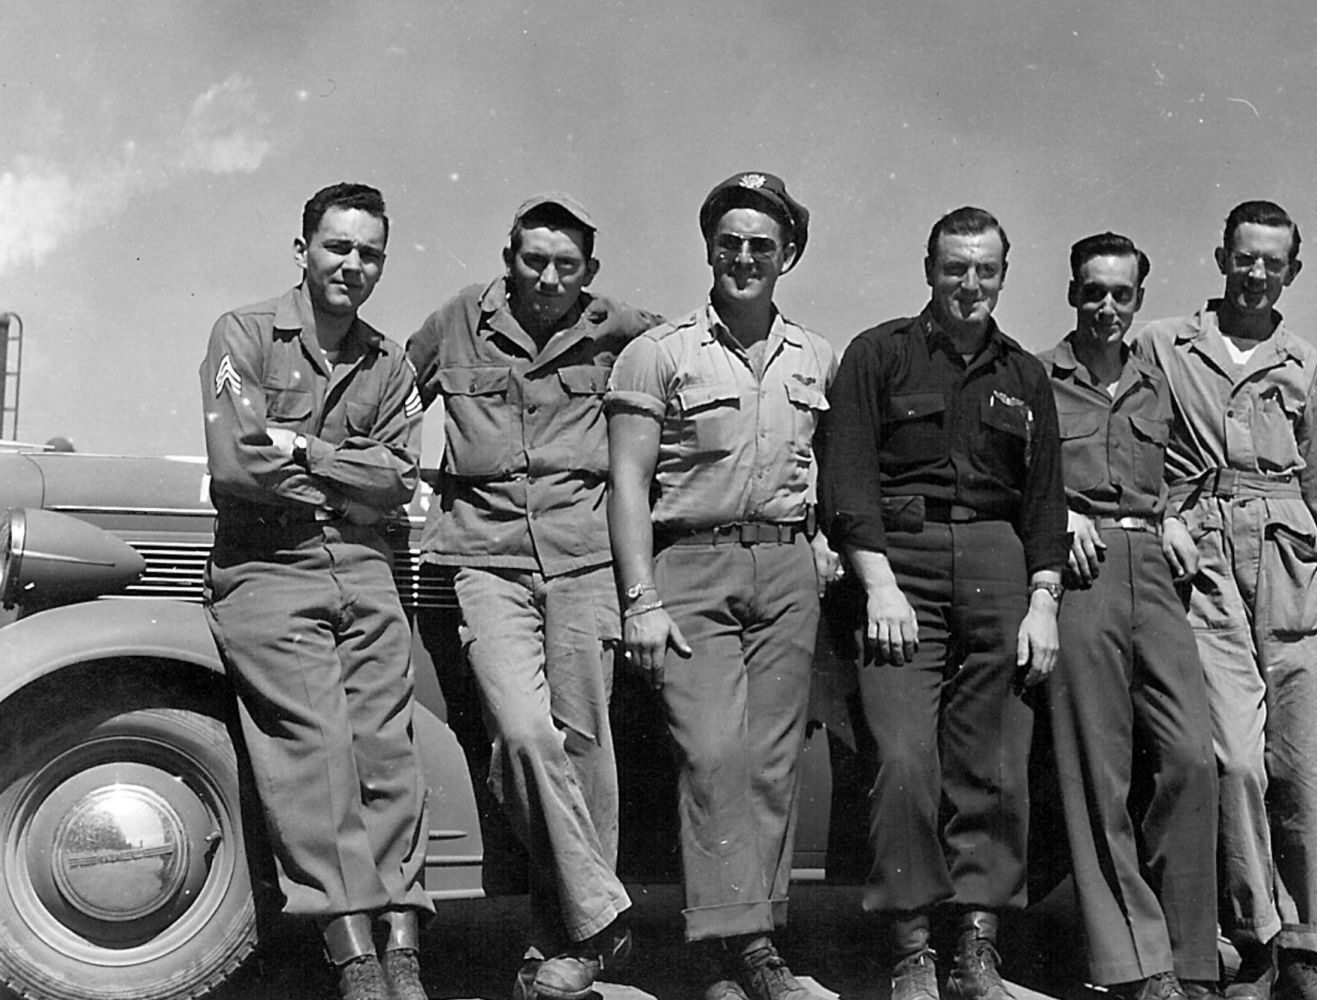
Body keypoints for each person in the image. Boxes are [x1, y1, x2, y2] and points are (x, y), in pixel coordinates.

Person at [406, 193, 660, 1000]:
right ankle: (604, 917)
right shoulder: (456, 322)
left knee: (584, 745)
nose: (549, 278)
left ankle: (562, 941)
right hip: (487, 560)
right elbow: (386, 395)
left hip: (586, 559)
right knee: (520, 734)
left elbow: (690, 378)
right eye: (534, 260)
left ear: (590, 271)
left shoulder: (626, 330)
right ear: (508, 258)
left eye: (567, 265)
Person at [821, 206, 1067, 1000]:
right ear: (929, 270)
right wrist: (879, 584)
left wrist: (1043, 601)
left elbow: (1045, 500)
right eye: (955, 267)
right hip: (902, 566)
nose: (969, 283)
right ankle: (911, 948)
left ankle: (976, 949)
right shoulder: (879, 354)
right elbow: (848, 481)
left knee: (995, 764)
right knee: (901, 759)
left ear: (1003, 276)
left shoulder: (1024, 375)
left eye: (984, 270)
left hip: (999, 565)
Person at [606, 171, 839, 1000]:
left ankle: (754, 947)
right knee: (711, 755)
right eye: (729, 243)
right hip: (691, 564)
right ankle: (724, 948)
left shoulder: (817, 357)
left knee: (772, 764)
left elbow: (825, 471)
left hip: (784, 568)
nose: (744, 258)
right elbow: (628, 483)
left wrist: (820, 541)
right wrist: (641, 598)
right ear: (709, 248)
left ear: (788, 255)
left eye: (762, 246)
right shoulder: (659, 353)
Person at [200, 182, 431, 1000]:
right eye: (338, 246)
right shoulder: (244, 333)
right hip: (268, 567)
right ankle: (351, 949)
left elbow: (400, 479)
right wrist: (345, 482)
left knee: (387, 749)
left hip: (364, 568)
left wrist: (305, 450)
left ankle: (403, 943)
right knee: (316, 751)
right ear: (303, 250)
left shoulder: (390, 362)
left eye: (370, 253)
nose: (352, 265)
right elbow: (239, 463)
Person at [1131, 201, 1317, 1000]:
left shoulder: (1306, 362)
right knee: (1233, 757)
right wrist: (1159, 517)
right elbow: (1129, 440)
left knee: (1303, 766)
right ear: (1221, 257)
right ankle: (1255, 938)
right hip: (1203, 561)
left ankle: (1308, 950)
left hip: (1295, 564)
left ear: (1292, 270)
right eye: (1244, 258)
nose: (1256, 274)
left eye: (1272, 262)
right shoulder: (1163, 344)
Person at [1040, 233, 1219, 1000]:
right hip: (1083, 573)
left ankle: (1191, 957)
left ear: (1139, 300)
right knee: (1099, 772)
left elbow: (1185, 468)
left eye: (1121, 294)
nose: (1106, 307)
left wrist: (1175, 515)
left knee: (1193, 759)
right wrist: (1059, 513)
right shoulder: (1039, 379)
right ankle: (1136, 966)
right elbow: (1011, 475)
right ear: (1072, 294)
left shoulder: (1156, 381)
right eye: (1093, 292)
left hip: (1153, 566)